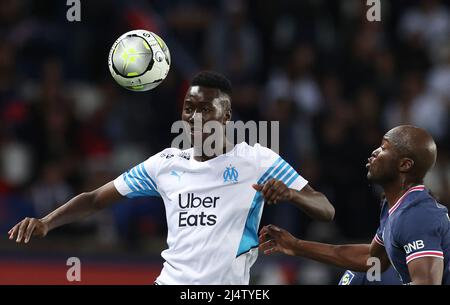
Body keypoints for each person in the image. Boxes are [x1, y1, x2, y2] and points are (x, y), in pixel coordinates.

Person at [8, 71, 335, 285]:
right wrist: (46, 223)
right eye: (189, 107)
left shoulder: (258, 159)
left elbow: (325, 209)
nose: (194, 117)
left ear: (226, 116)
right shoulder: (165, 164)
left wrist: (292, 195)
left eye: (205, 109)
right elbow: (95, 199)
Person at [259, 125, 450, 285]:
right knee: (357, 276)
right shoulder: (395, 207)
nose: (374, 152)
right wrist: (297, 246)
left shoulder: (417, 215)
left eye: (384, 148)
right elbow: (371, 258)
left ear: (405, 165)